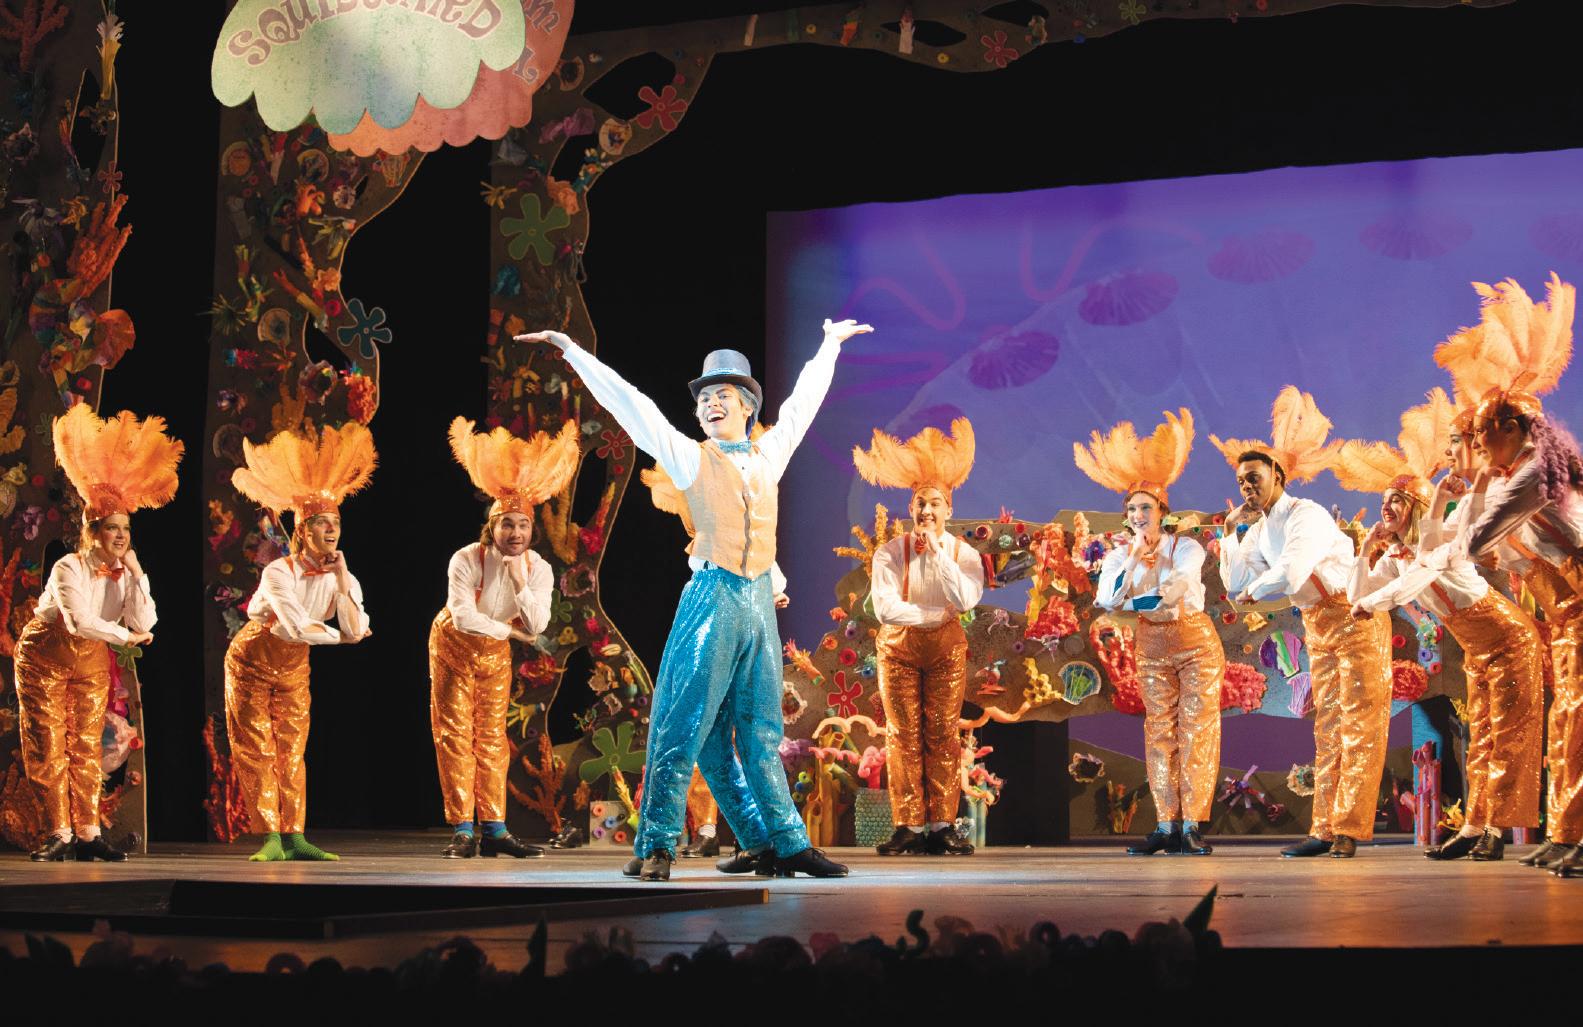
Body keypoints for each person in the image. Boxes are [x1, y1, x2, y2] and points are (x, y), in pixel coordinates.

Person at [515, 320, 870, 881]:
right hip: (712, 598)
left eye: (722, 395)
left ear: (748, 405)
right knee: (683, 725)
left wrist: (828, 345)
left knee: (760, 733)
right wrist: (572, 350)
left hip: (757, 602)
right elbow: (633, 406)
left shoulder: (769, 454)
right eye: (704, 398)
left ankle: (781, 843)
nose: (710, 405)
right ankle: (658, 844)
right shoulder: (690, 457)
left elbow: (803, 406)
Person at [1334, 389, 1543, 861]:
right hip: (1476, 648)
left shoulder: (1439, 542)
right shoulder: (1396, 555)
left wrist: (1374, 602)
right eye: (1384, 500)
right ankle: (1473, 826)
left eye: (1396, 500)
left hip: (1508, 638)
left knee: (1506, 735)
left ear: (1415, 504)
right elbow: (1356, 596)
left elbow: (1417, 575)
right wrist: (1365, 552)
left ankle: (1496, 831)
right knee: (1480, 736)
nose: (1386, 507)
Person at [1434, 273, 1583, 873]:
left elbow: (1471, 543)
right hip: (1566, 614)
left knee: (1575, 715)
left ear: (1513, 430)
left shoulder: (1529, 474)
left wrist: (1470, 488)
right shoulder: (1513, 478)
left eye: (1480, 433)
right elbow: (1480, 548)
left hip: (1577, 607)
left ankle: (1574, 834)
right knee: (1567, 716)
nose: (1475, 443)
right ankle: (1567, 831)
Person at [1213, 387, 1392, 859]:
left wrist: (1255, 590)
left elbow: (1291, 573)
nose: (1247, 487)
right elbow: (1234, 582)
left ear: (1277, 474)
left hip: (1354, 616)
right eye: (1241, 481)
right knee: (1327, 723)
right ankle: (1325, 828)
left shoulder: (1304, 514)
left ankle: (1349, 828)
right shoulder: (1260, 529)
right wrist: (1231, 534)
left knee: (1359, 723)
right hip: (1318, 623)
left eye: (1254, 478)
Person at [15, 404, 182, 862]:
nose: (121, 537)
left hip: (89, 656)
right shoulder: (69, 567)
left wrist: (138, 573)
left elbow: (145, 623)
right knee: (48, 741)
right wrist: (126, 638)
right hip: (45, 654)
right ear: (94, 532)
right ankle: (59, 832)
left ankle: (88, 834)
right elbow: (79, 621)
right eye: (112, 529)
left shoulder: (125, 572)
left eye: (125, 529)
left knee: (88, 741)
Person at [225, 422, 375, 862]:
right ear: (303, 530)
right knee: (258, 746)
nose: (331, 530)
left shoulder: (342, 575)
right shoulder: (279, 572)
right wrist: (341, 636)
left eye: (336, 523)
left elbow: (355, 625)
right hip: (252, 660)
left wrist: (342, 583)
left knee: (293, 747)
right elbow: (294, 626)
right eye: (322, 523)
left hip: (294, 665)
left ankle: (295, 835)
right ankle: (270, 836)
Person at [1079, 409, 1223, 856]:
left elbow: (1177, 588)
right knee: (1159, 731)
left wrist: (1144, 597)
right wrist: (1130, 562)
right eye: (1132, 509)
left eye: (1146, 507)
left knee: (1196, 728)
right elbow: (1107, 599)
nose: (1139, 514)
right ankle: (1165, 824)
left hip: (1194, 641)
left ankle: (1192, 824)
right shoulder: (1119, 555)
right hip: (1152, 645)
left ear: (1162, 511)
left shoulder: (1186, 546)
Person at [431, 418, 577, 858]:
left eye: (523, 526)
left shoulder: (538, 569)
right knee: (455, 734)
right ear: (492, 527)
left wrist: (518, 583)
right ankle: (462, 829)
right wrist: (511, 631)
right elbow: (463, 616)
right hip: (453, 645)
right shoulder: (466, 558)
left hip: (494, 653)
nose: (515, 534)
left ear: (532, 530)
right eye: (507, 525)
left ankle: (495, 829)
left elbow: (537, 624)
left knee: (493, 736)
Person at [853, 418, 984, 856]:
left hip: (945, 650)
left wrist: (940, 556)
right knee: (902, 732)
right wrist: (931, 614)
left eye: (935, 504)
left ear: (948, 509)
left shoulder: (965, 554)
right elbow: (886, 609)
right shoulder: (889, 553)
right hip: (899, 649)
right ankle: (908, 824)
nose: (927, 511)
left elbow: (964, 599)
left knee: (943, 732)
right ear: (910, 508)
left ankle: (942, 825)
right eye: (920, 504)